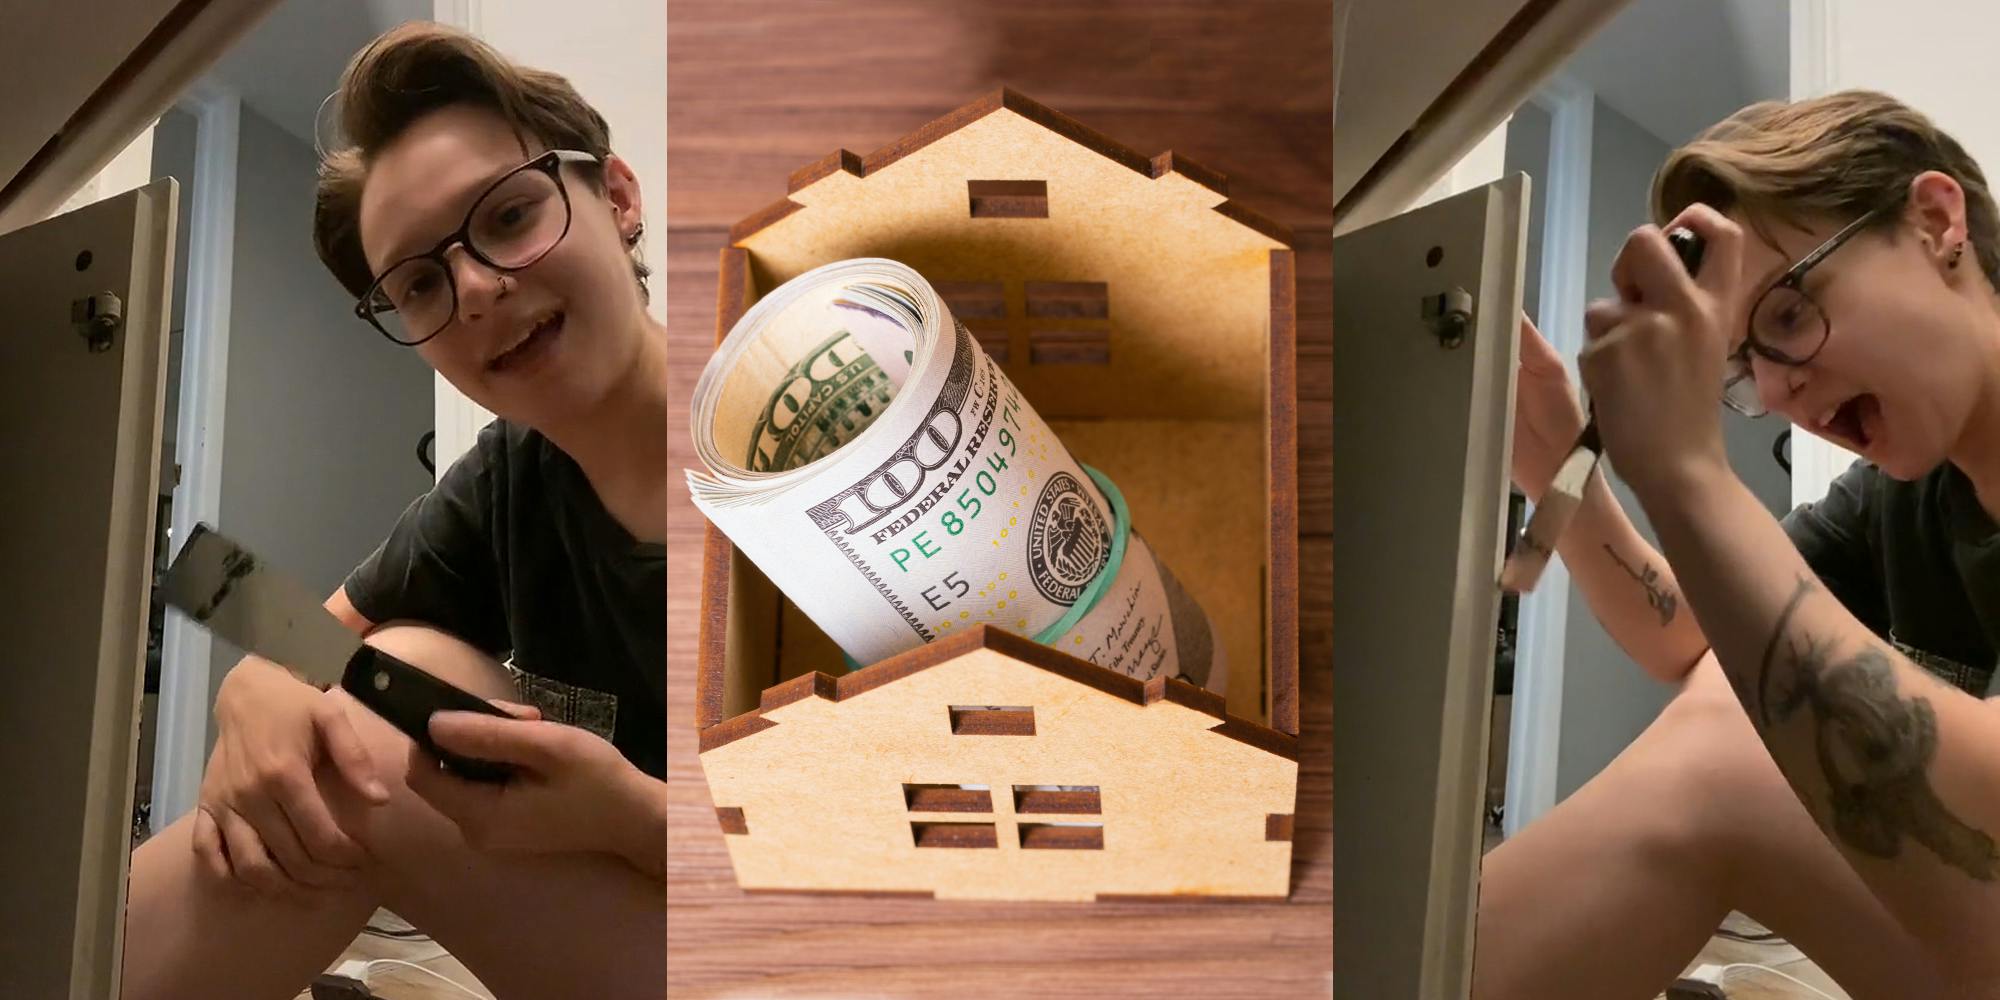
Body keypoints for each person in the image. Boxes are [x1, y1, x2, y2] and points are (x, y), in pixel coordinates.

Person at [120, 22, 666, 1000]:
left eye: (505, 217)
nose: (475, 291)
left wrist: (631, 816)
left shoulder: (819, 423)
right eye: (419, 281)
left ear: (617, 199)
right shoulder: (511, 478)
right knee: (395, 678)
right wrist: (252, 685)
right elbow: (281, 618)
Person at [1474, 90, 2000, 1000]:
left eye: (1790, 317)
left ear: (1934, 220)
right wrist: (1568, 471)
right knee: (1728, 709)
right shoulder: (1902, 500)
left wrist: (1687, 473)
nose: (1783, 394)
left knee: (1726, 762)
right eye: (1746, 369)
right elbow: (1699, 645)